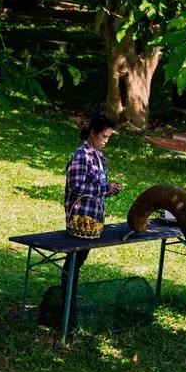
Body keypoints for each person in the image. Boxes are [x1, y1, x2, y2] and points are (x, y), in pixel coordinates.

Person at [61, 113, 122, 320]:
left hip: (93, 219)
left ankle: (69, 292)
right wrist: (105, 189)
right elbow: (77, 187)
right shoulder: (81, 156)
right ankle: (66, 295)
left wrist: (109, 188)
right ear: (93, 133)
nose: (105, 141)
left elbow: (97, 184)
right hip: (80, 218)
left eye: (108, 138)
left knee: (81, 255)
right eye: (103, 136)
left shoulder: (98, 156)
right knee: (76, 256)